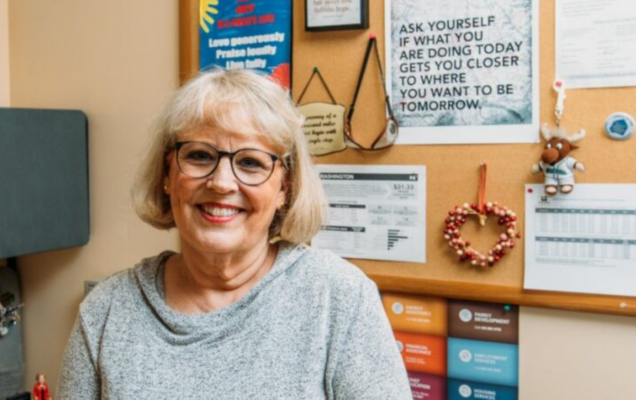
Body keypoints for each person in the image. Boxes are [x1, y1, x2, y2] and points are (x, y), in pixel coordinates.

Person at [58, 69, 411, 399]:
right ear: (167, 174)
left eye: (251, 162)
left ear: (284, 187)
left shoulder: (339, 299)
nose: (222, 183)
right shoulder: (106, 311)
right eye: (199, 155)